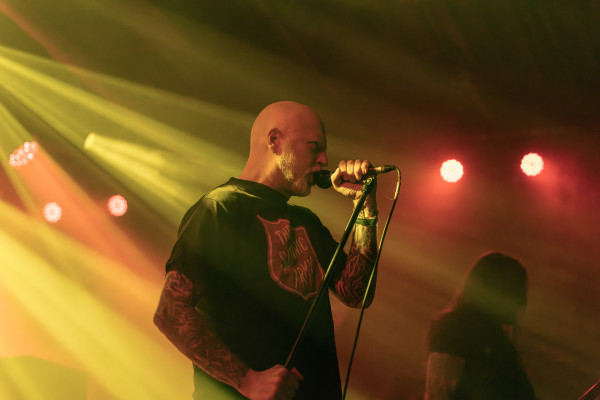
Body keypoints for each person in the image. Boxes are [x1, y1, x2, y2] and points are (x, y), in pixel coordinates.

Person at [153, 101, 380, 400]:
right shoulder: (221, 208)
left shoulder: (307, 221)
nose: (325, 160)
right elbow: (170, 312)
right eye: (314, 147)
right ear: (275, 141)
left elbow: (357, 293)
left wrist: (365, 209)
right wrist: (246, 380)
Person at [424, 251, 536, 400]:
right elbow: (438, 395)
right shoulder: (455, 331)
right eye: (517, 291)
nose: (522, 301)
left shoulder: (500, 343)